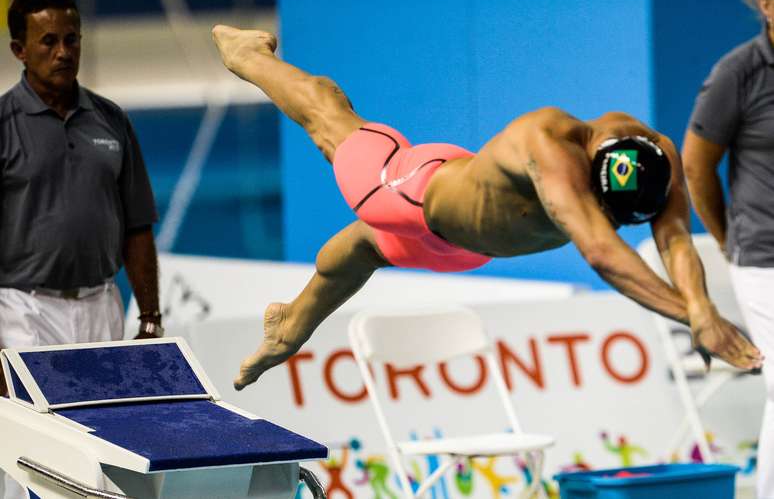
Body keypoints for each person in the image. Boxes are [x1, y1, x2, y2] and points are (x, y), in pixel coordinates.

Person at [209, 25, 763, 394]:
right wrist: (695, 317)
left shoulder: (656, 155)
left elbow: (674, 240)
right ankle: (246, 54)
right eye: (605, 209)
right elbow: (601, 253)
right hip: (408, 192)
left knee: (360, 251)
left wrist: (703, 308)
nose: (612, 220)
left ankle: (291, 322)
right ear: (589, 172)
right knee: (332, 122)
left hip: (466, 248)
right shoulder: (549, 145)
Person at [0, 0, 161, 497]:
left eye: (72, 39)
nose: (63, 51)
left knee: (105, 444)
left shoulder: (111, 120)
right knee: (26, 453)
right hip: (23, 308)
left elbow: (137, 226)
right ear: (19, 50)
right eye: (48, 41)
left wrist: (150, 317)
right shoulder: (2, 126)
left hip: (99, 305)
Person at [682, 0, 774, 496]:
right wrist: (726, 239)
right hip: (764, 257)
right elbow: (696, 168)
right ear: (766, 4)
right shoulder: (738, 73)